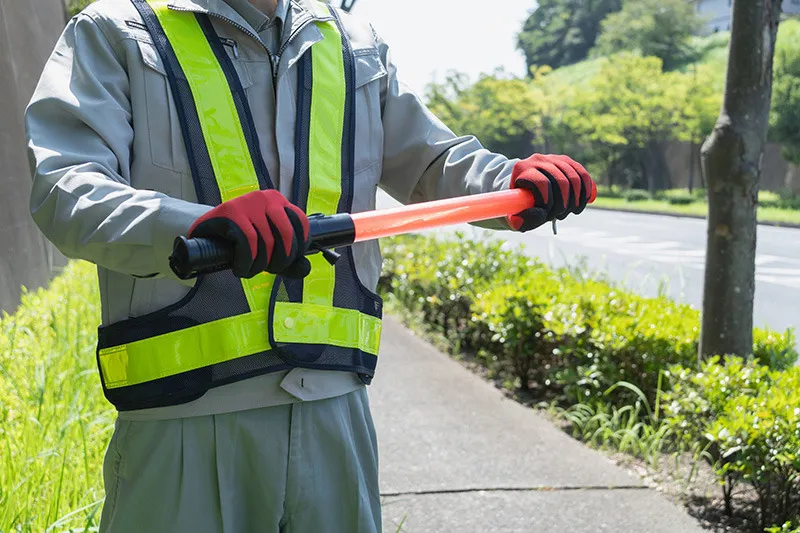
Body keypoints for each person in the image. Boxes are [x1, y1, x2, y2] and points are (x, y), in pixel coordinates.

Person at [25, 0, 597, 531]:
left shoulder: (352, 43)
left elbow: (433, 162)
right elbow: (66, 190)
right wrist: (193, 224)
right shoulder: (118, 30)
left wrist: (510, 182)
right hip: (183, 419)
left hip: (334, 410)